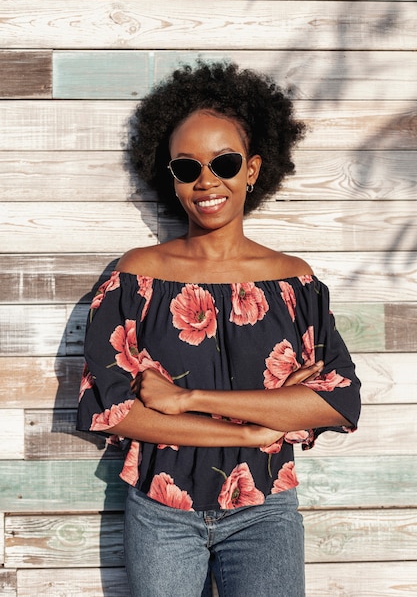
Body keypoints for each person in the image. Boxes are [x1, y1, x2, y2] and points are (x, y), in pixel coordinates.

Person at [77, 61, 361, 597]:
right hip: (161, 510)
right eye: (187, 168)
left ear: (252, 170)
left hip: (265, 511)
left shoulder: (293, 283)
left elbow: (337, 401)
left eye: (224, 162)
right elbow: (117, 411)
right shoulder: (135, 277)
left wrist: (186, 400)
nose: (206, 181)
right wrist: (259, 427)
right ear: (171, 177)